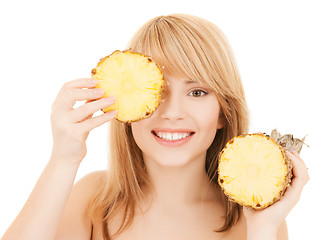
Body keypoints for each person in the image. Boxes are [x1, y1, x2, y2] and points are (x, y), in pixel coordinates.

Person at [2, 14, 309, 240]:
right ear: (124, 106)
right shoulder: (94, 201)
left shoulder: (256, 221)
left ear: (223, 113)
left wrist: (264, 230)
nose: (172, 112)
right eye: (157, 92)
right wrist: (63, 159)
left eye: (197, 92)